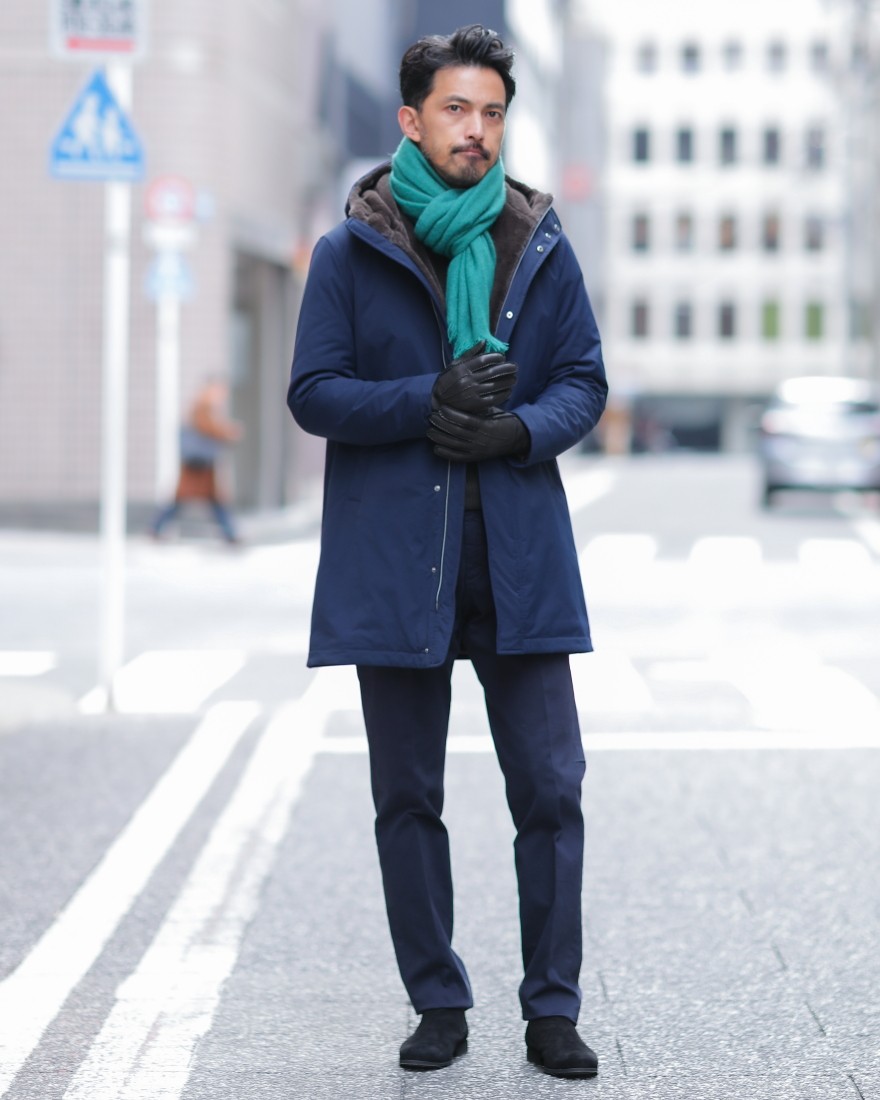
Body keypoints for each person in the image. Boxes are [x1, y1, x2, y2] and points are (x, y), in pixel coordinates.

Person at [288, 24, 607, 1079]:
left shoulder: (537, 242)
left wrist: (516, 432)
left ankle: (551, 1009)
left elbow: (583, 380)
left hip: (519, 561)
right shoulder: (351, 250)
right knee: (407, 798)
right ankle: (438, 1000)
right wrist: (429, 398)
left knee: (550, 792)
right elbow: (314, 393)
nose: (477, 130)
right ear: (411, 121)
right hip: (397, 565)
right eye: (457, 110)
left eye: (492, 113)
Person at [151, 377, 243, 544]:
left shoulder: (205, 407)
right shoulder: (202, 407)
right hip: (197, 466)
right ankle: (230, 535)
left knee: (211, 502)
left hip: (202, 466)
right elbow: (208, 428)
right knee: (186, 501)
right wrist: (228, 432)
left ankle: (230, 534)